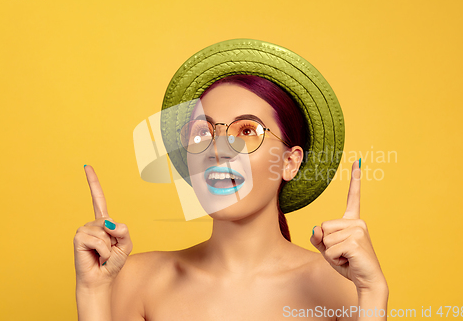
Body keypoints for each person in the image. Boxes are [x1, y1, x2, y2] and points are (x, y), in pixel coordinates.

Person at [74, 40, 388, 320]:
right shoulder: (137, 280)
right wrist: (93, 292)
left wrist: (373, 292)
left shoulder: (341, 286)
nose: (217, 150)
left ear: (290, 162)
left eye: (248, 131)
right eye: (202, 133)